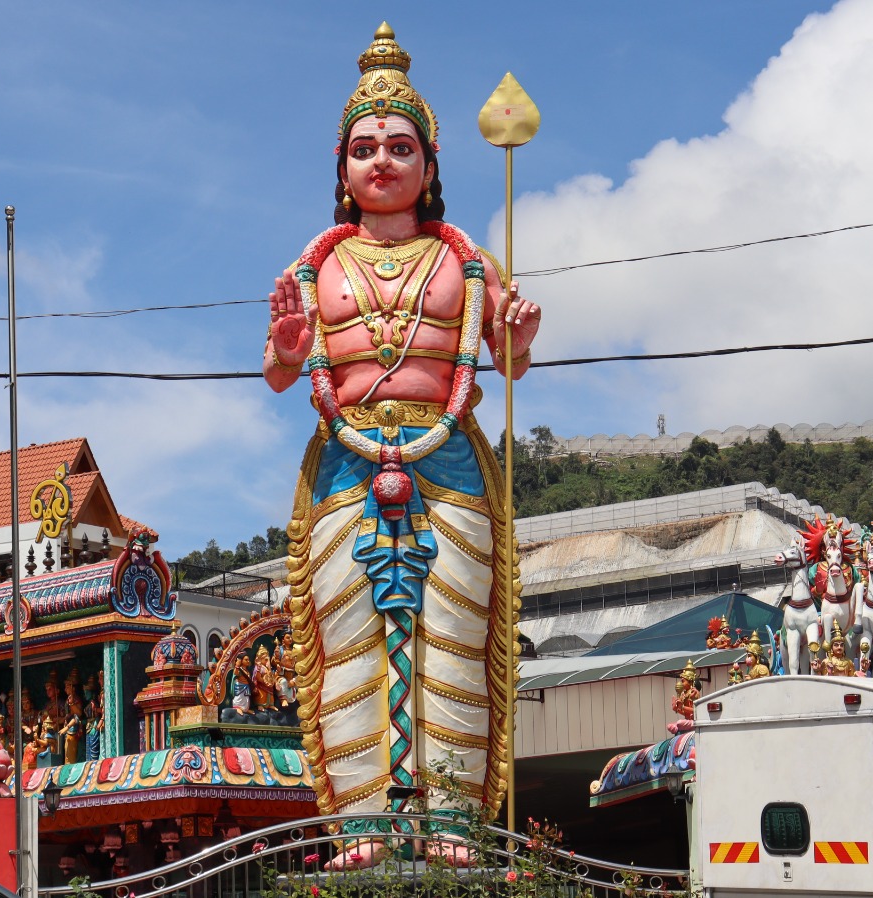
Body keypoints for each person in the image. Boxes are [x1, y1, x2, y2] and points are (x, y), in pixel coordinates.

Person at [265, 24, 540, 867]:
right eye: (363, 148)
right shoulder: (318, 267)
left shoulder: (468, 261)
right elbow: (281, 375)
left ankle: (453, 822)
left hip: (448, 459)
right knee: (347, 638)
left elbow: (507, 362)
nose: (381, 161)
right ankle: (359, 829)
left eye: (399, 146)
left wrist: (517, 334)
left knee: (453, 630)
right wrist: (285, 345)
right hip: (348, 464)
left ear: (430, 162)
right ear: (341, 169)